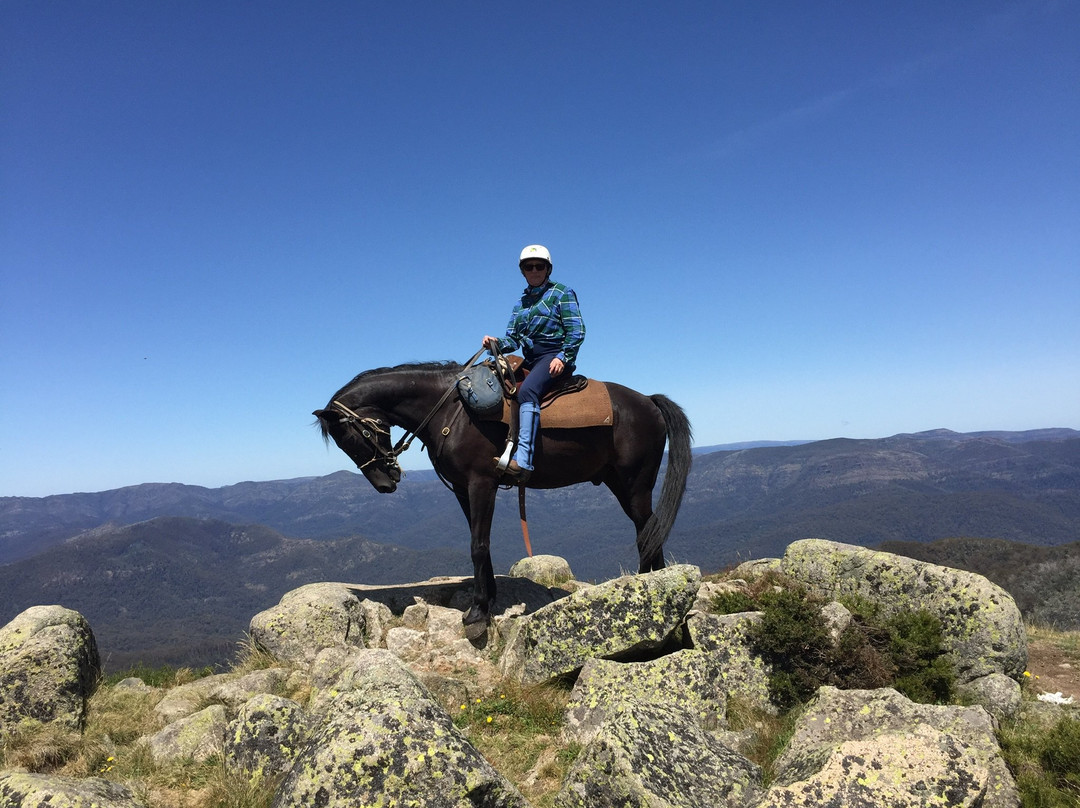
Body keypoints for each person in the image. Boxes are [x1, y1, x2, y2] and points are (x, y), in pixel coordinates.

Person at [482, 244, 586, 483]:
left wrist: (564, 357)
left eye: (540, 266)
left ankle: (523, 459)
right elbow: (514, 339)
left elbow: (577, 330)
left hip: (553, 356)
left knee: (527, 391)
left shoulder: (562, 292)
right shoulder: (521, 303)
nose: (534, 270)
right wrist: (496, 342)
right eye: (529, 267)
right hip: (529, 359)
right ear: (523, 271)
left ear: (548, 269)